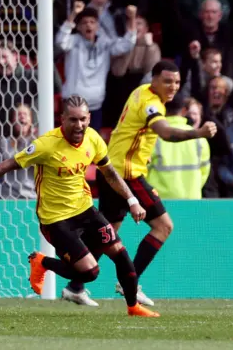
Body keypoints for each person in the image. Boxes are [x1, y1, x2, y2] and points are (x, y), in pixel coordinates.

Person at [0, 95, 160, 318]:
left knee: (120, 254)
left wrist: (132, 200)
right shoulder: (46, 145)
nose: (79, 125)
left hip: (86, 211)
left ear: (89, 118)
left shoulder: (93, 139)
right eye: (73, 120)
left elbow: (110, 173)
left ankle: (133, 307)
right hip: (56, 220)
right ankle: (42, 261)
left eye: (83, 119)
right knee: (91, 272)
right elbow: (6, 165)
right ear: (62, 119)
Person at [63, 61, 217, 307]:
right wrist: (197, 133)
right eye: (167, 81)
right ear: (154, 79)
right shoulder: (150, 103)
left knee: (108, 233)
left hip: (111, 168)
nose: (173, 87)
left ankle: (75, 285)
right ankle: (129, 283)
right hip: (125, 173)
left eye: (176, 82)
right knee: (163, 227)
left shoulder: (140, 91)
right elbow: (165, 132)